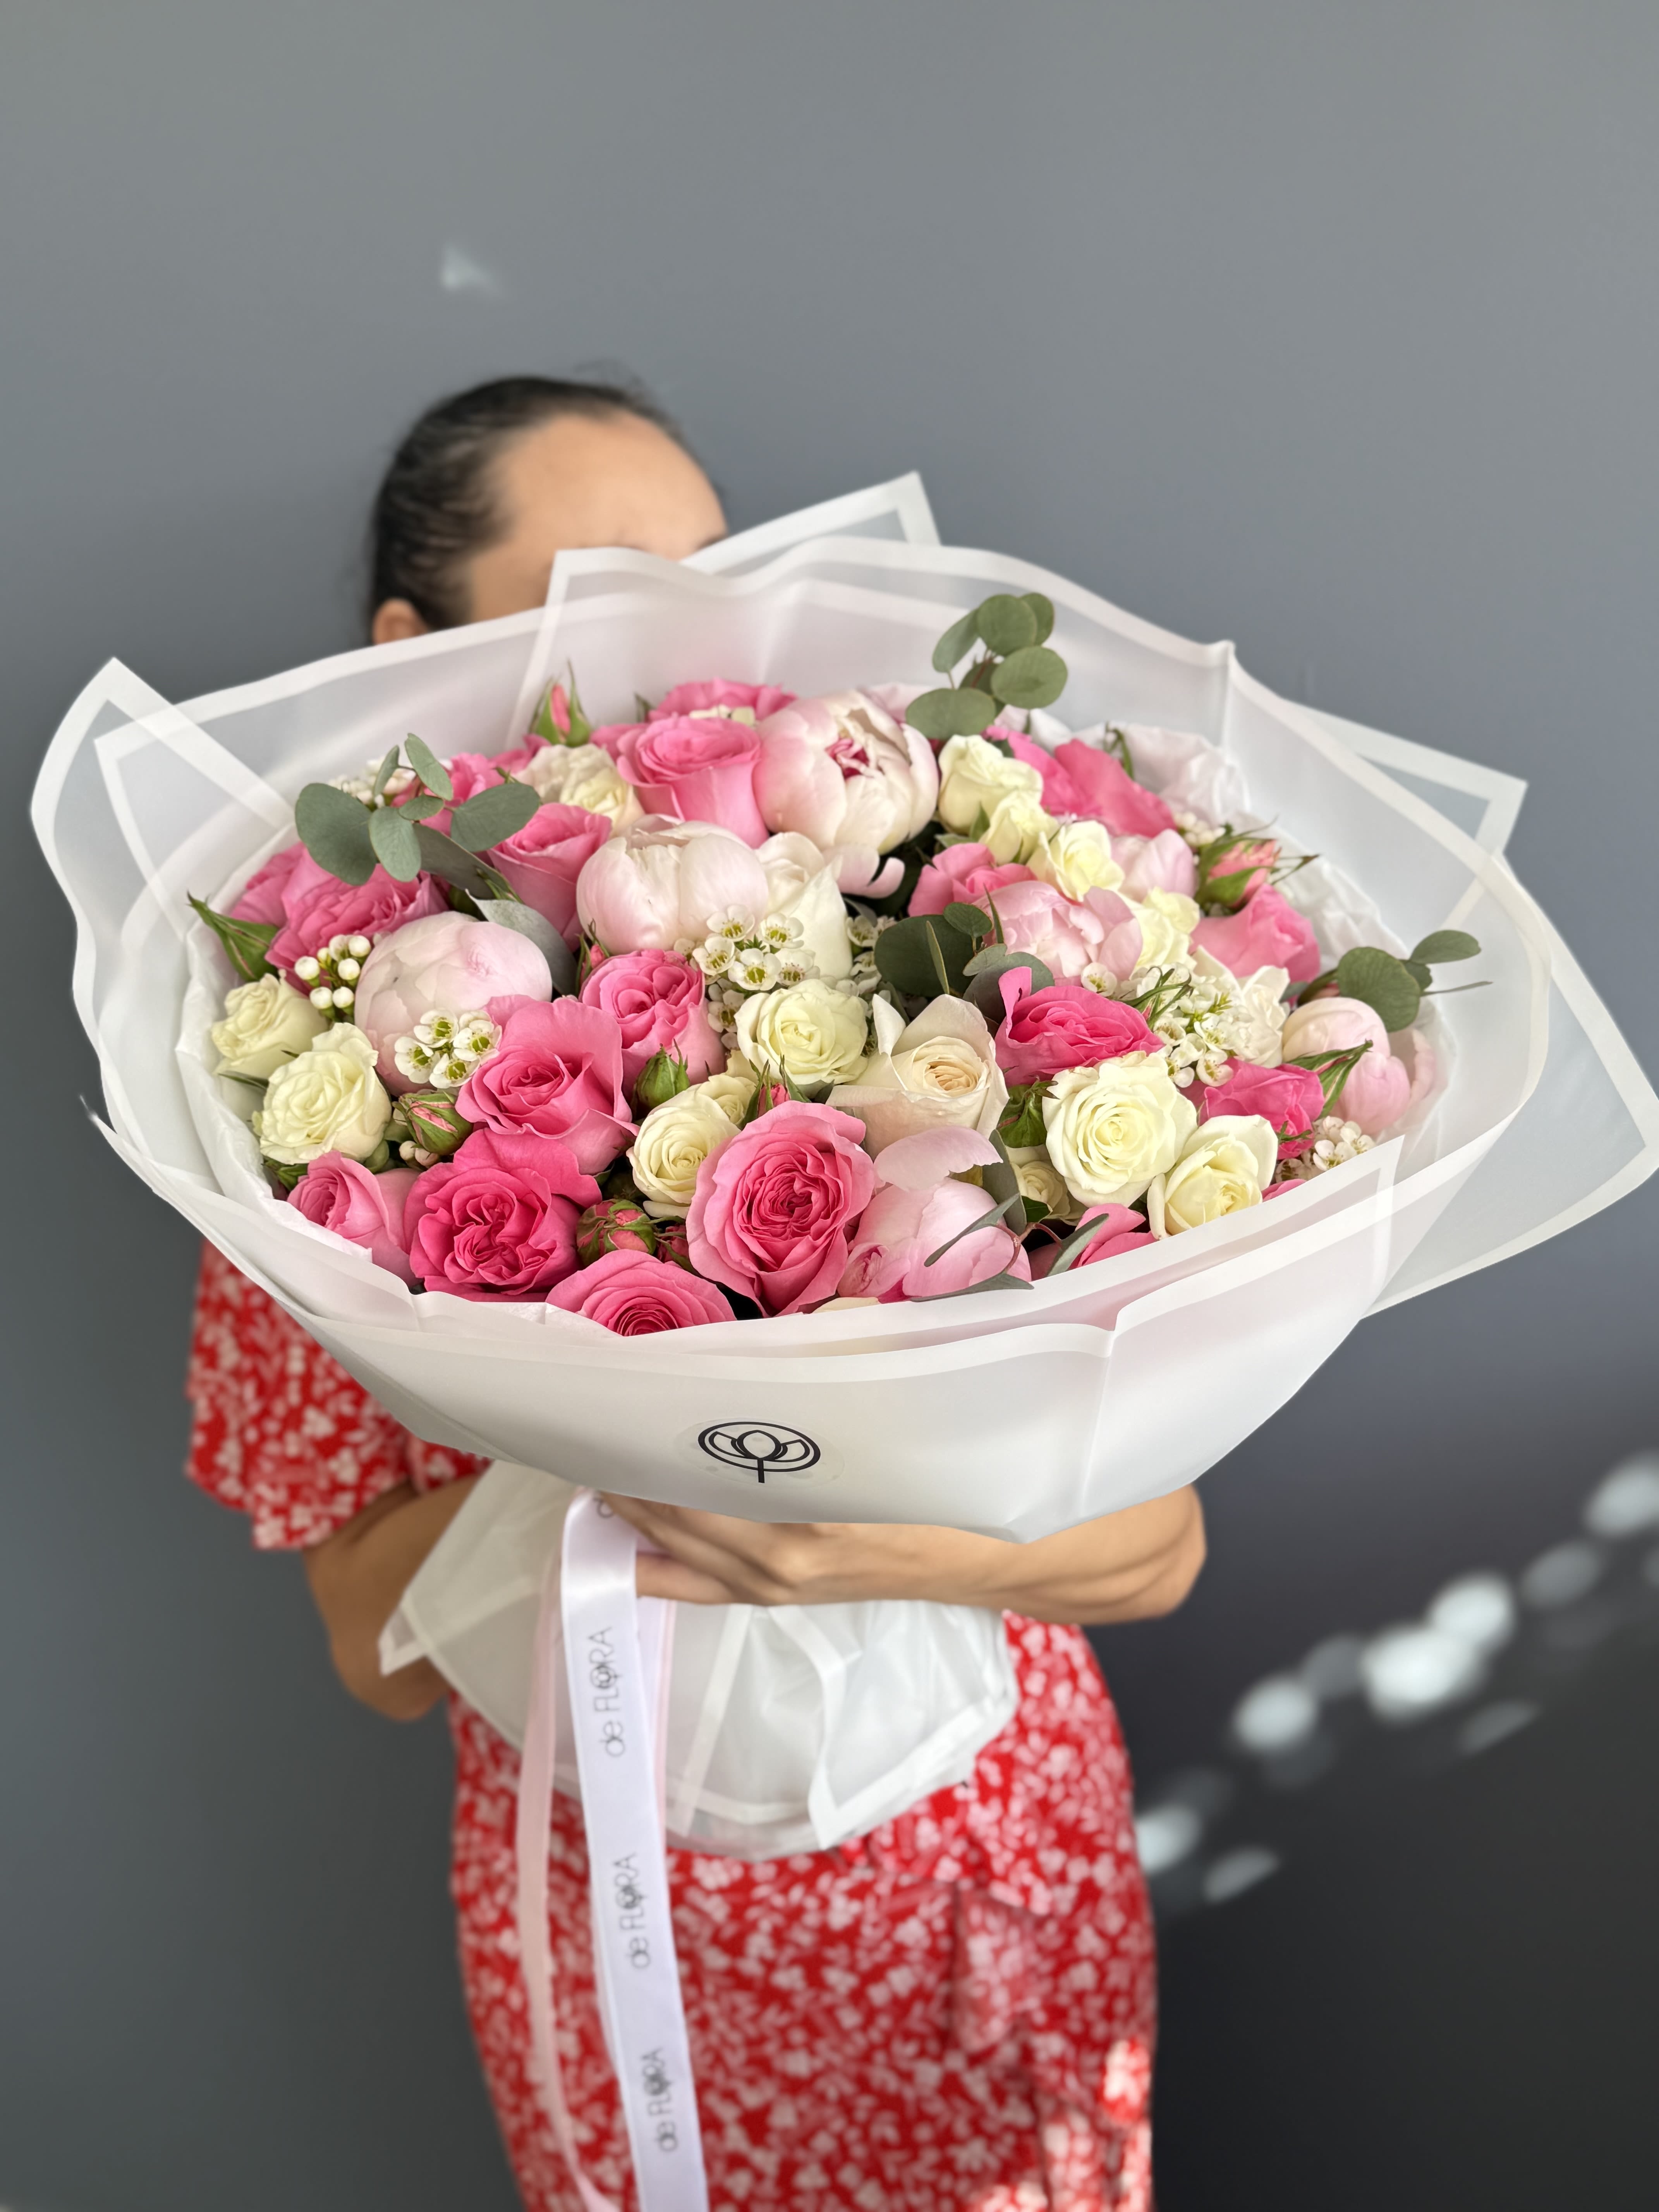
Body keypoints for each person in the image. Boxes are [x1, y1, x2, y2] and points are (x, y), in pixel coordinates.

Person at [186, 373, 1206, 2212]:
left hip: (983, 1863)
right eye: (598, 594)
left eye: (704, 588)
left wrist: (836, 1529)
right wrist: (582, 1397)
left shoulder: (911, 969)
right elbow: (370, 1646)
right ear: (403, 649)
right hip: (610, 1909)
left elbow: (1157, 1543)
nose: (669, 654)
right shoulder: (298, 1118)